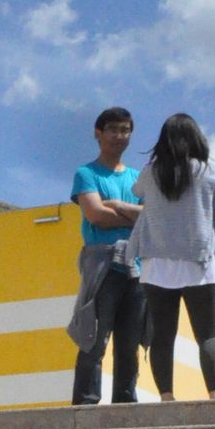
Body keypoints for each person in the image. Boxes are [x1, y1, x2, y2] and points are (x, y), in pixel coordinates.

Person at [129, 113, 215, 401]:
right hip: (198, 263)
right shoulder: (209, 170)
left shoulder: (150, 172)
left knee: (162, 334)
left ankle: (166, 396)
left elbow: (137, 192)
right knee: (209, 334)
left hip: (156, 264)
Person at [67, 107, 144, 406]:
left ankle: (126, 405)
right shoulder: (86, 173)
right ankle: (86, 405)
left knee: (129, 344)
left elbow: (151, 218)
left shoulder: (139, 179)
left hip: (136, 266)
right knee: (93, 338)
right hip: (102, 264)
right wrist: (132, 215)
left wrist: (117, 206)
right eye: (112, 129)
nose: (119, 135)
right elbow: (96, 215)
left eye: (125, 129)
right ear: (98, 133)